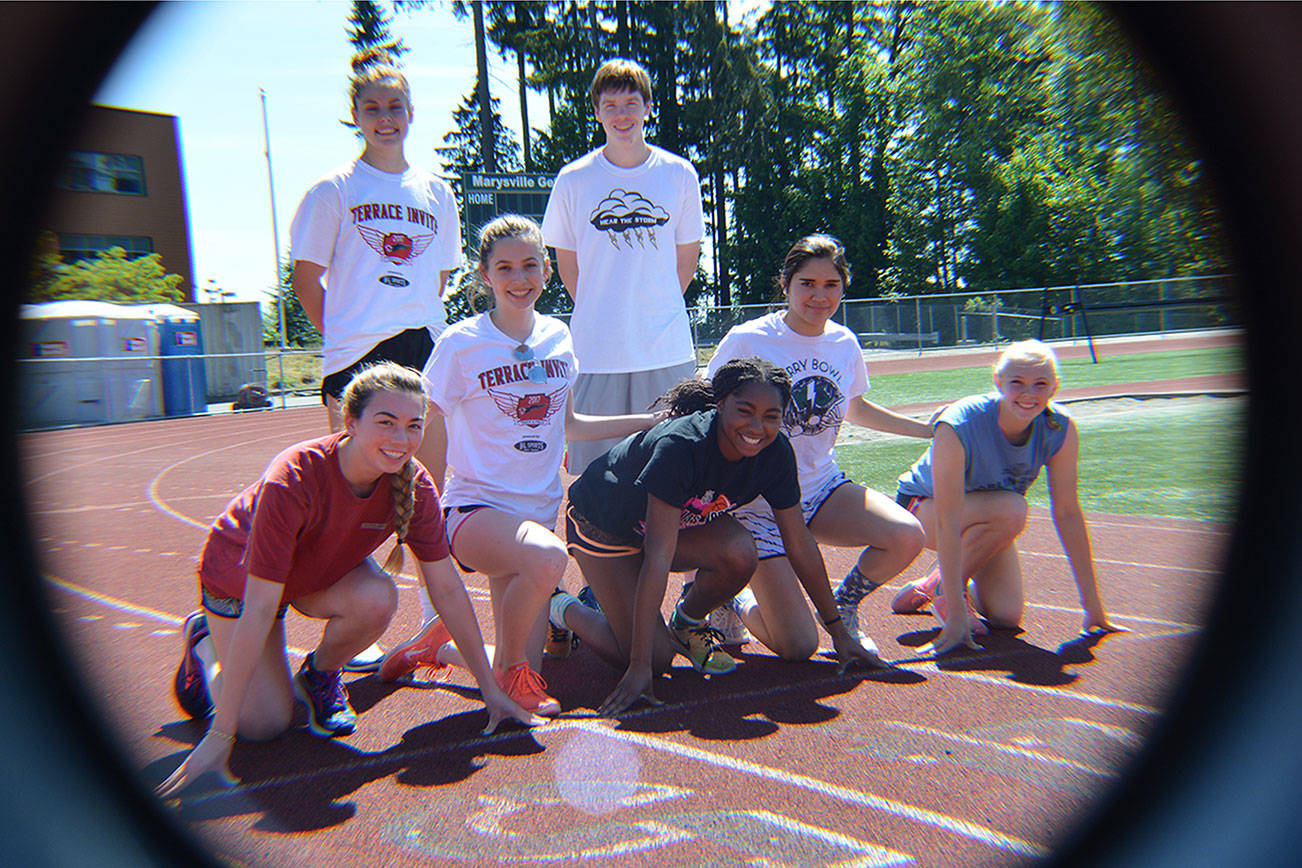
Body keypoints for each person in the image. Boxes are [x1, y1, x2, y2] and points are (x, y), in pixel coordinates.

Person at [158, 364, 538, 797]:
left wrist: (490, 689)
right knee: (263, 726)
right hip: (240, 582)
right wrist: (219, 735)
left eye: (413, 426)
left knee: (377, 598)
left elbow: (447, 587)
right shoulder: (294, 476)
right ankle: (205, 644)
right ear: (351, 422)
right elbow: (261, 608)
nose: (401, 439)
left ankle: (319, 676)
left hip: (311, 574)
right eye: (386, 422)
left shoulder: (414, 486)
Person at [375, 216, 657, 715]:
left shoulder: (559, 336)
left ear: (547, 270)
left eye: (530, 265)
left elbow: (566, 423)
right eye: (504, 267)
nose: (519, 278)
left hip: (537, 512)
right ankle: (499, 666)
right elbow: (425, 417)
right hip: (475, 511)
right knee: (550, 560)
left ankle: (436, 649)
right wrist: (421, 501)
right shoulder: (460, 344)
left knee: (523, 672)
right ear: (484, 275)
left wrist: (645, 420)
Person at [549, 358, 885, 717]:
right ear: (720, 403)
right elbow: (659, 556)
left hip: (664, 528)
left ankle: (687, 622)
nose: (757, 426)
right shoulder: (681, 445)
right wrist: (640, 664)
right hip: (604, 526)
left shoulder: (775, 454)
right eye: (746, 411)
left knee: (741, 551)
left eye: (772, 416)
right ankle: (559, 608)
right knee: (655, 658)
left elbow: (799, 541)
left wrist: (840, 634)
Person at [289, 49, 463, 667]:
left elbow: (438, 276)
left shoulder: (436, 190)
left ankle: (429, 626)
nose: (384, 117)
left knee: (427, 492)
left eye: (395, 107)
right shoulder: (332, 190)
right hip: (357, 360)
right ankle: (353, 620)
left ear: (412, 114)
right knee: (353, 498)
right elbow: (308, 277)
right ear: (355, 116)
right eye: (372, 108)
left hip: (423, 349)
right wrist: (345, 336)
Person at [706, 235, 932, 661]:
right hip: (758, 504)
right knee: (797, 647)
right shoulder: (749, 338)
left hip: (821, 487)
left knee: (906, 535)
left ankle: (845, 606)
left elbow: (857, 408)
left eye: (831, 285)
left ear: (844, 288)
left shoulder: (844, 343)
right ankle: (729, 597)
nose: (819, 295)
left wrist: (927, 431)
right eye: (807, 283)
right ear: (786, 284)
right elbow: (705, 404)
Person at [888, 340, 1123, 657]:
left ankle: (934, 582)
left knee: (1005, 616)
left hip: (990, 519)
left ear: (1055, 386)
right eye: (1018, 383)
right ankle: (948, 590)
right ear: (998, 382)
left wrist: (1093, 605)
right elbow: (948, 516)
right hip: (922, 511)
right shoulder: (961, 422)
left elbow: (1067, 512)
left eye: (1041, 384)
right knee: (1013, 509)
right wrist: (955, 610)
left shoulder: (1059, 428)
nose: (1030, 393)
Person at [540, 57, 705, 476]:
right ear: (596, 113)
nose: (622, 114)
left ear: (648, 107)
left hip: (665, 348)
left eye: (631, 102)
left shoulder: (679, 173)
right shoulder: (573, 179)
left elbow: (686, 261)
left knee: (672, 470)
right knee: (598, 475)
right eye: (610, 105)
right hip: (596, 351)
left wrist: (653, 308)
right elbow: (568, 268)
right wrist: (604, 313)